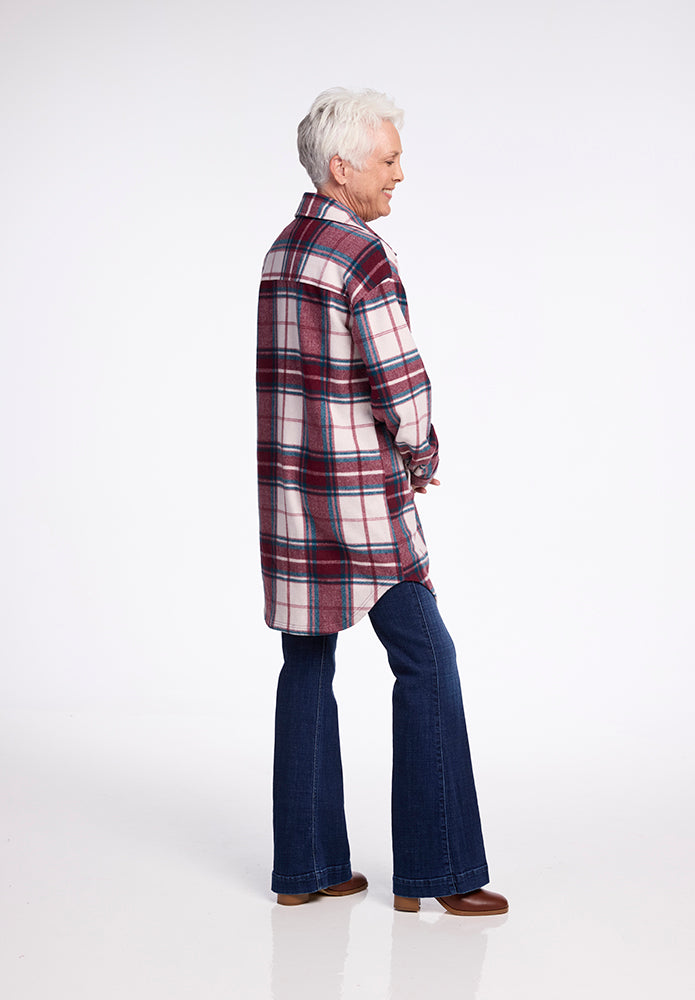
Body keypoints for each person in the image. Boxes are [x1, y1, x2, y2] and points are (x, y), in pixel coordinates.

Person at [256, 87, 507, 916]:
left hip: (294, 503)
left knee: (306, 664)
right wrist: (424, 452)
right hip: (360, 505)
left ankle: (308, 868)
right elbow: (401, 389)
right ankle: (438, 875)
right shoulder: (361, 256)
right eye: (389, 158)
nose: (401, 173)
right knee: (428, 662)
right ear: (341, 166)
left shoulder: (282, 254)